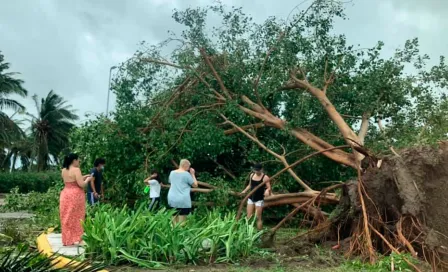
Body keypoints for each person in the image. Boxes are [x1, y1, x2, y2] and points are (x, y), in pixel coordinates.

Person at [60, 153, 91, 246]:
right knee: (78, 216)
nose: (79, 161)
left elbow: (71, 180)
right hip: (76, 195)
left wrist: (83, 177)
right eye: (78, 160)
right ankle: (79, 239)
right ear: (74, 160)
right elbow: (81, 184)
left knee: (66, 216)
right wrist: (88, 180)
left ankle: (67, 239)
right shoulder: (76, 170)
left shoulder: (64, 170)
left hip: (65, 194)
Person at [241, 163, 271, 230]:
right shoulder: (252, 175)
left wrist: (267, 191)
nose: (257, 172)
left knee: (258, 217)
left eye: (258, 170)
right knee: (248, 216)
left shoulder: (265, 177)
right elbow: (250, 185)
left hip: (259, 199)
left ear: (261, 169)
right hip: (251, 198)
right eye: (256, 170)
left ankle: (259, 234)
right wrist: (244, 191)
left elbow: (269, 187)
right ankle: (248, 232)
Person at [167, 159, 198, 224]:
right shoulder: (186, 174)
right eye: (189, 166)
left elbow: (170, 182)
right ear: (185, 165)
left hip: (172, 199)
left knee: (173, 222)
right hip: (182, 200)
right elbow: (195, 185)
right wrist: (192, 174)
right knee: (181, 223)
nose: (189, 168)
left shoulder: (172, 172)